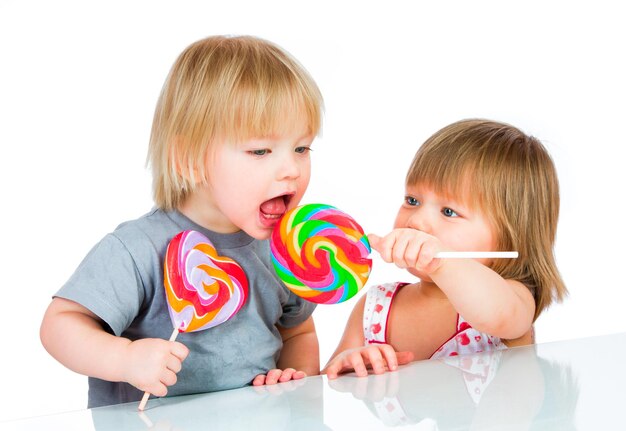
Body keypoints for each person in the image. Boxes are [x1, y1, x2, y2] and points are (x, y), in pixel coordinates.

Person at [40, 35, 324, 408]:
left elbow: (297, 333)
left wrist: (295, 384)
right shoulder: (139, 248)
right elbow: (60, 324)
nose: (291, 170)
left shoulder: (286, 251)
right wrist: (123, 358)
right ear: (188, 159)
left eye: (301, 148)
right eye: (260, 150)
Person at [323, 119, 567, 379]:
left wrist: (441, 263)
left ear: (511, 235)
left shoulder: (513, 300)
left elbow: (496, 314)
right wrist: (348, 363)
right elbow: (323, 389)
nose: (416, 221)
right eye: (412, 200)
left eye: (449, 212)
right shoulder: (375, 308)